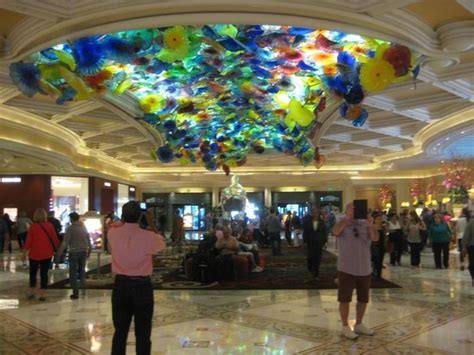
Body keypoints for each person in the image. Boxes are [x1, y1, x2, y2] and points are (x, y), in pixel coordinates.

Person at [108, 201, 166, 355]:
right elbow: (162, 242)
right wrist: (151, 222)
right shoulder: (149, 237)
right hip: (142, 287)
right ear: (141, 216)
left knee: (120, 332)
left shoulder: (113, 233)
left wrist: (124, 220)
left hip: (120, 285)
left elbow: (114, 225)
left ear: (123, 216)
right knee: (143, 333)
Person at [332, 203, 377, 340]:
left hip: (364, 267)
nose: (355, 210)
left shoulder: (366, 223)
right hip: (346, 267)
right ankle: (345, 326)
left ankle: (359, 323)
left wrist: (370, 224)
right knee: (344, 298)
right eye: (352, 208)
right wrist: (347, 220)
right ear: (346, 211)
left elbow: (375, 238)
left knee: (363, 298)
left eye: (357, 208)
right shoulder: (342, 222)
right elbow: (335, 232)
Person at [23, 208, 59, 301]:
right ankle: (43, 294)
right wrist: (57, 250)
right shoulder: (50, 226)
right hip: (47, 253)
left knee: (33, 273)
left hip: (34, 253)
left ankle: (31, 291)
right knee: (44, 273)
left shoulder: (33, 227)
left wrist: (24, 252)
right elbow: (54, 239)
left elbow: (28, 241)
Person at [56, 212, 92, 300]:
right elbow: (88, 238)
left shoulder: (71, 228)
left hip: (74, 252)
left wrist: (59, 253)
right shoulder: (83, 227)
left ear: (71, 218)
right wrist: (89, 249)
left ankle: (75, 292)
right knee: (82, 271)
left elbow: (65, 242)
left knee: (73, 273)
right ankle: (83, 289)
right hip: (83, 251)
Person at [303, 208, 328, 281]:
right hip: (310, 242)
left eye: (316, 213)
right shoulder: (307, 222)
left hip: (319, 243)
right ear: (312, 213)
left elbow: (324, 233)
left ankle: (316, 274)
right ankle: (310, 270)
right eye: (314, 213)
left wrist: (325, 242)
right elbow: (305, 233)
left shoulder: (322, 223)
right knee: (310, 258)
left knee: (317, 259)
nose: (315, 214)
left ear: (318, 214)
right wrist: (304, 241)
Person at [371, 214, 387, 279]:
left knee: (380, 261)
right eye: (378, 219)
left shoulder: (383, 227)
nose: (380, 220)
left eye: (381, 219)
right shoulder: (372, 227)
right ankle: (374, 273)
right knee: (375, 260)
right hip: (374, 246)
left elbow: (385, 237)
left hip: (381, 246)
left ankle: (379, 275)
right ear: (374, 220)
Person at [461, 216, 474, 288]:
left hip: (472, 247)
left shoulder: (471, 222)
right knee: (472, 263)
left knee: (472, 263)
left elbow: (466, 235)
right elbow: (466, 235)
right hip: (472, 246)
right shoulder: (471, 222)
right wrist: (464, 247)